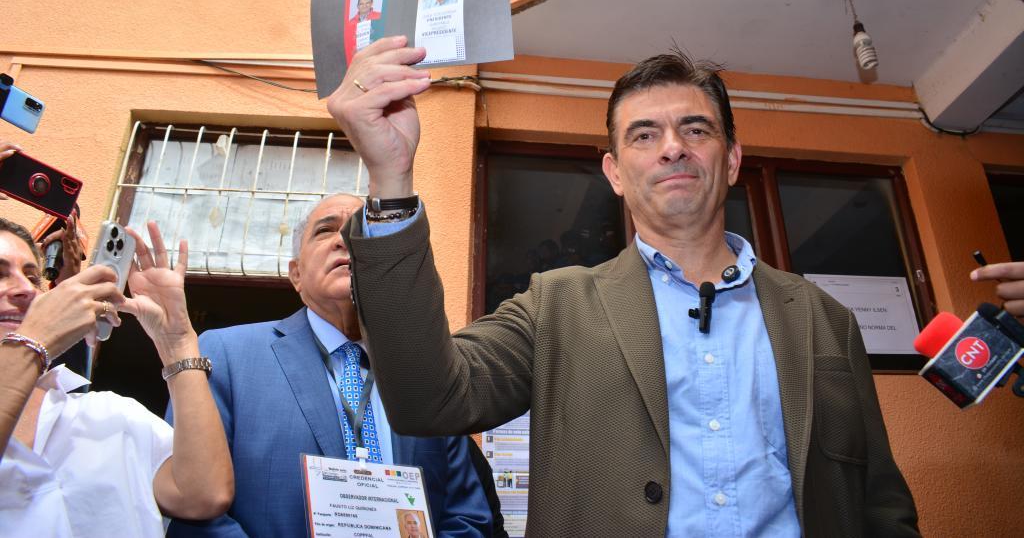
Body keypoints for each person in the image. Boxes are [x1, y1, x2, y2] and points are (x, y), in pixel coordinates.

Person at [327, 37, 920, 537]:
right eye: (643, 135)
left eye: (695, 129)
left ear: (733, 160)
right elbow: (430, 399)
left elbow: (880, 502)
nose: (673, 147)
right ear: (613, 172)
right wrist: (390, 179)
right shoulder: (556, 306)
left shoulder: (824, 318)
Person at [167, 193, 491, 537]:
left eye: (360, 232)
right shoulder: (226, 355)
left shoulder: (426, 372)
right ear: (296, 274)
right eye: (325, 231)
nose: (344, 240)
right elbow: (193, 512)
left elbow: (467, 517)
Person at [0, 218, 233, 537]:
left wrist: (177, 343)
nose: (26, 289)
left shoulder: (109, 414)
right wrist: (33, 341)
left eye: (32, 277)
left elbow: (204, 496)